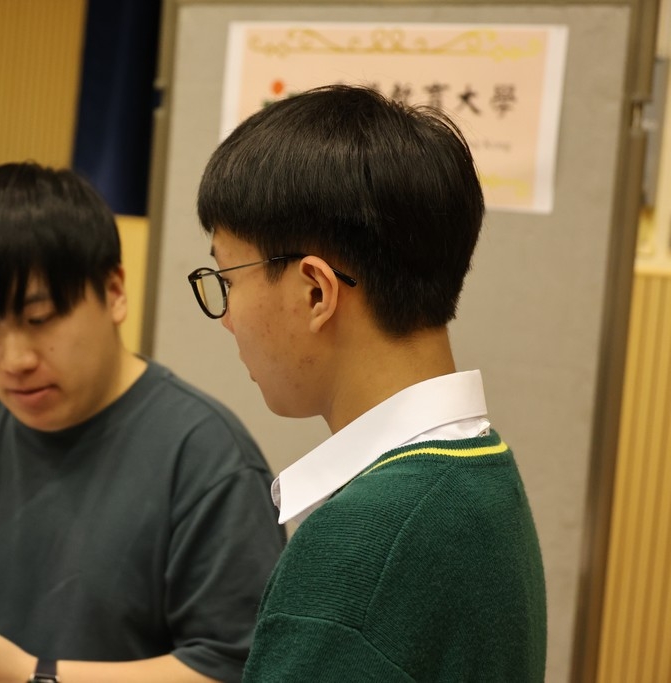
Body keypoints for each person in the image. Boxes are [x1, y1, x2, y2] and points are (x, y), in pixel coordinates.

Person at [0, 162, 286, 683]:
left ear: (113, 292)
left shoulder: (207, 458)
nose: (14, 359)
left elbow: (234, 668)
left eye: (39, 320)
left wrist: (35, 676)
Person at [188, 84, 547, 681]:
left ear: (315, 292)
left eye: (227, 279)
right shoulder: (481, 470)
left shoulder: (361, 546)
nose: (226, 318)